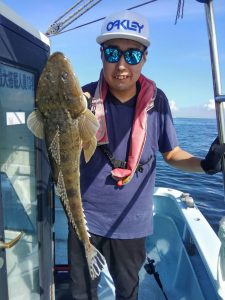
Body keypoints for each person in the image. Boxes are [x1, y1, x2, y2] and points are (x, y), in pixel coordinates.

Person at [68, 10, 225, 300]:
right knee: (81, 292)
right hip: (85, 220)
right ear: (101, 56)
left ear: (145, 57)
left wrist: (206, 166)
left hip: (132, 224)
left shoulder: (158, 102)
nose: (122, 64)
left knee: (127, 291)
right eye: (113, 53)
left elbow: (172, 153)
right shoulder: (82, 99)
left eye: (133, 54)